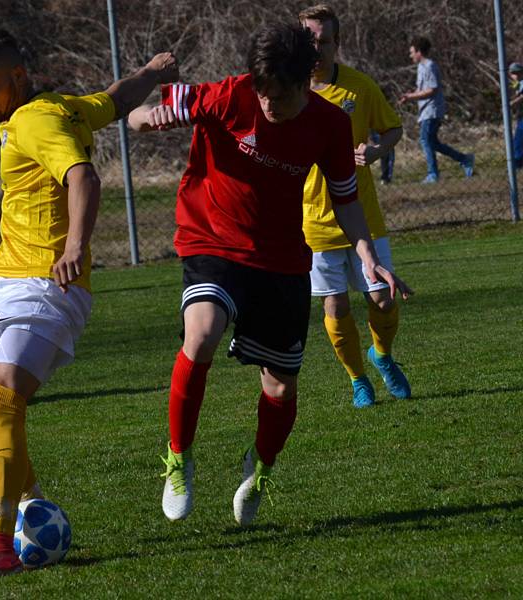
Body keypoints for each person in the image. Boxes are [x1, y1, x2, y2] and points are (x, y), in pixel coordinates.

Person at [128, 23, 411, 526]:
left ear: (306, 83)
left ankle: (259, 468)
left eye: (278, 96)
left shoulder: (328, 124)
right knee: (203, 332)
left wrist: (367, 256)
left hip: (281, 258)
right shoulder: (226, 95)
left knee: (280, 387)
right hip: (212, 238)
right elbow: (137, 115)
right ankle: (178, 457)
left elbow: (346, 197)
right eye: (260, 93)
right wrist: (147, 117)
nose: (266, 105)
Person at [0, 27, 178, 582]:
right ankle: (32, 506)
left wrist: (75, 244)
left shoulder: (37, 120)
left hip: (47, 284)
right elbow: (115, 101)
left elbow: (83, 176)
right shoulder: (59, 108)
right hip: (8, 283)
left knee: (2, 399)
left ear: (19, 78)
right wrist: (152, 73)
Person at [299, 5, 410, 408]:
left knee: (383, 297)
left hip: (363, 214)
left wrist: (378, 149)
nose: (316, 49)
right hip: (314, 220)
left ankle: (381, 354)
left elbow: (393, 127)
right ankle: (358, 379)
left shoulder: (359, 87)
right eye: (309, 40)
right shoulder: (289, 91)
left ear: (336, 43)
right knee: (336, 303)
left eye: (323, 41)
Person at [399, 36, 474, 183]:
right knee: (433, 143)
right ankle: (465, 159)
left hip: (432, 111)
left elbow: (432, 89)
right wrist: (410, 95)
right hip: (425, 111)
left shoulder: (430, 66)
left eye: (412, 52)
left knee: (425, 140)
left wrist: (411, 97)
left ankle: (433, 173)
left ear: (419, 52)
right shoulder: (421, 68)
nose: (411, 55)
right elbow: (422, 88)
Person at [509, 62, 523, 169]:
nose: (516, 76)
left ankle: (518, 163)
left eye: (518, 73)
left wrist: (511, 104)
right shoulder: (517, 83)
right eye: (513, 73)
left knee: (518, 141)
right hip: (520, 116)